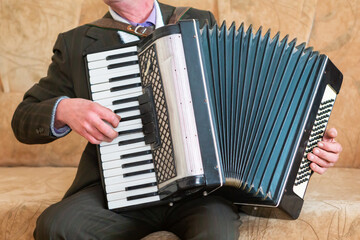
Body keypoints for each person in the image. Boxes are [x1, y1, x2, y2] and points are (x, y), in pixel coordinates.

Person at [11, 0, 343, 239]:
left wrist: (307, 142)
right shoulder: (76, 43)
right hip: (115, 192)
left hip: (201, 193)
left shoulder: (200, 21)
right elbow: (24, 118)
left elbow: (253, 94)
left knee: (216, 234)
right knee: (56, 226)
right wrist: (65, 109)